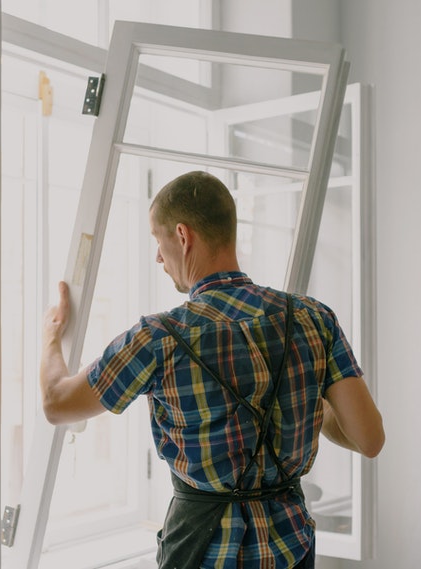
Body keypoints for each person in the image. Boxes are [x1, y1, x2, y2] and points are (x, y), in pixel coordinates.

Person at [40, 171, 384, 569]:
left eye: (158, 240)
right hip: (291, 549)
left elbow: (56, 403)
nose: (157, 256)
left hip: (202, 554)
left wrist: (51, 338)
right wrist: (309, 402)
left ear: (183, 237)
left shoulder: (159, 337)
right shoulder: (312, 318)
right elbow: (369, 439)